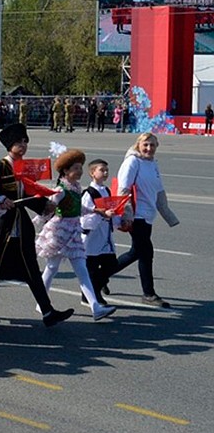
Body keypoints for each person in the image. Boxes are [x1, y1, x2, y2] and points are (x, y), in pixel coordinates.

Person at [0, 123, 74, 327]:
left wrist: (44, 205)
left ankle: (47, 311)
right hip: (2, 226)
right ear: (9, 145)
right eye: (18, 142)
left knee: (31, 268)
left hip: (20, 226)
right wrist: (1, 198)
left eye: (25, 141)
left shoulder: (25, 167)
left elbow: (28, 194)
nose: (23, 145)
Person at [35, 149, 116, 320]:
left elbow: (79, 208)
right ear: (65, 171)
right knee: (51, 268)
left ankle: (95, 307)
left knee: (82, 270)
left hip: (74, 232)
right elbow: (48, 207)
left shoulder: (77, 188)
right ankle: (41, 302)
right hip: (60, 232)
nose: (79, 171)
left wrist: (98, 211)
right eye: (76, 168)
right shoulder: (61, 189)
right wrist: (37, 220)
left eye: (80, 168)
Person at [109, 133, 179, 307]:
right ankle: (149, 293)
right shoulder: (133, 162)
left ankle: (100, 277)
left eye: (152, 145)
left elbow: (159, 191)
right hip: (136, 215)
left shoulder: (152, 164)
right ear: (138, 145)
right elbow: (123, 190)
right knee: (146, 253)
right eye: (145, 145)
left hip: (148, 215)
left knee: (136, 252)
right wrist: (127, 216)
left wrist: (168, 215)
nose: (149, 148)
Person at [82, 159, 123, 305]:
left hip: (105, 236)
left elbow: (112, 210)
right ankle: (91, 295)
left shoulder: (106, 190)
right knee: (91, 268)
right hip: (92, 238)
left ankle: (94, 289)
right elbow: (85, 218)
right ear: (92, 173)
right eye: (102, 170)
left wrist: (118, 221)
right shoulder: (89, 193)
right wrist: (102, 215)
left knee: (111, 265)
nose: (105, 173)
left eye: (106, 170)